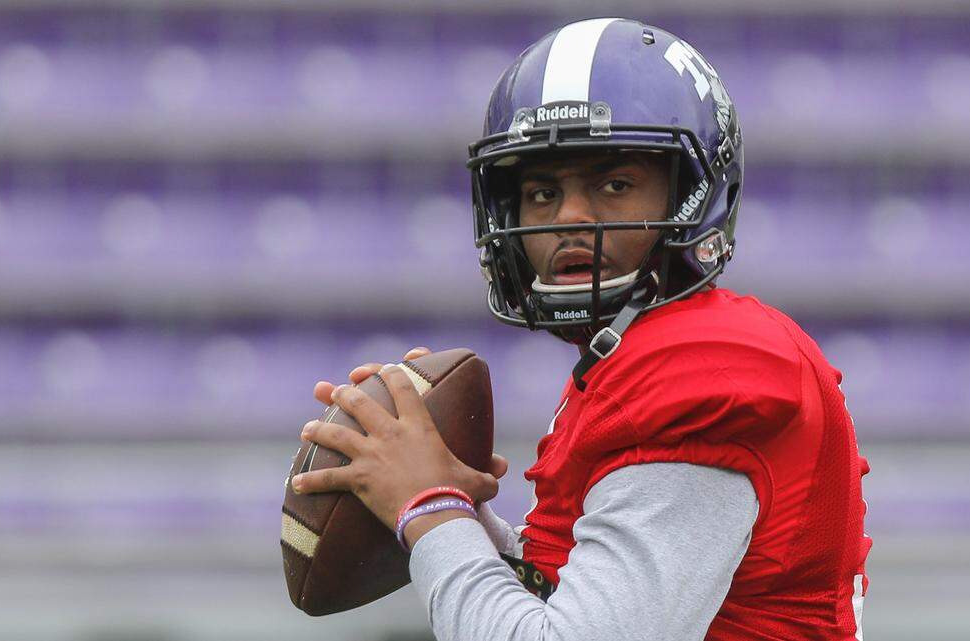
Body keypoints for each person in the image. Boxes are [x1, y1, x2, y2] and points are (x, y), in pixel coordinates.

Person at [291, 17, 871, 641]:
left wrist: (429, 508)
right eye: (542, 193)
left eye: (614, 184)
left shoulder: (706, 365)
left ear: (695, 196)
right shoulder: (629, 356)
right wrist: (466, 514)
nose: (568, 217)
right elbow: (577, 596)